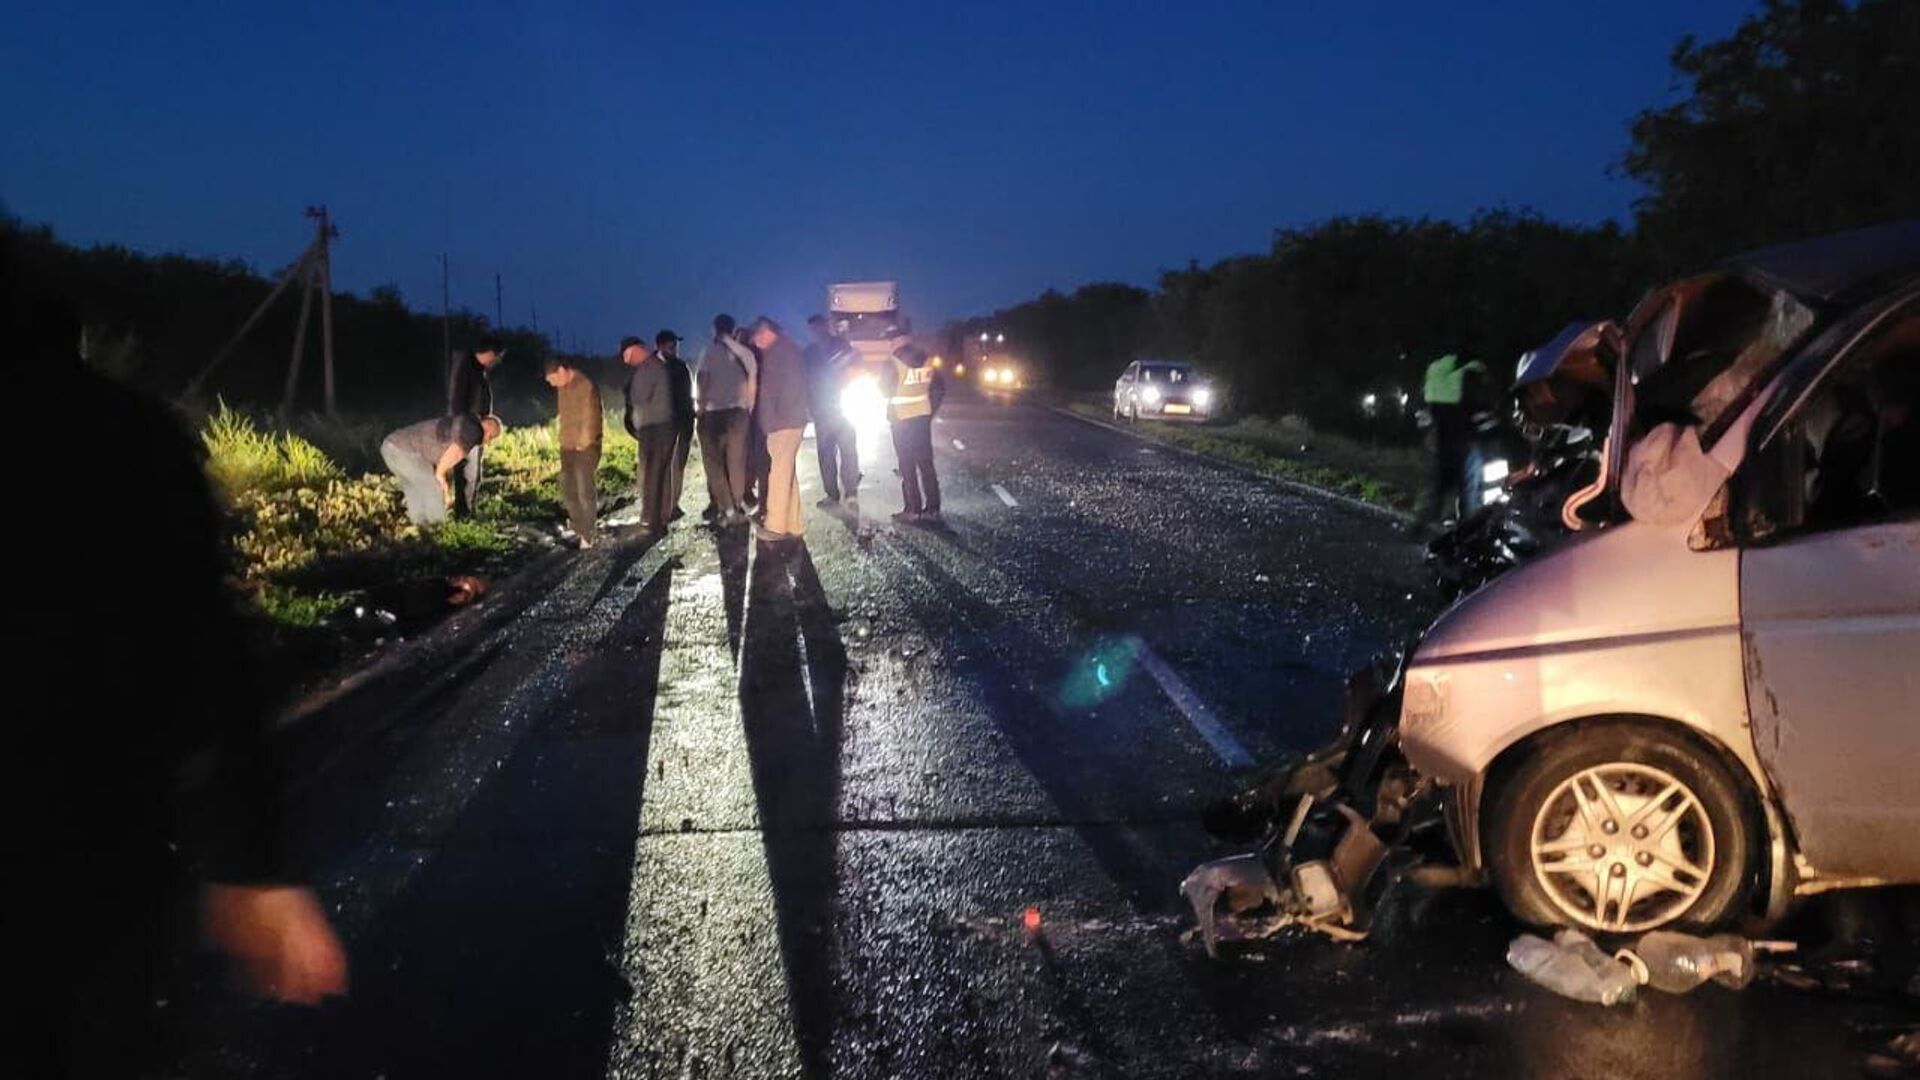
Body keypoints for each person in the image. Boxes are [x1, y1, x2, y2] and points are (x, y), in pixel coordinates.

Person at [23, 335, 348, 1077]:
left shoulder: (95, 431)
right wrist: (252, 862)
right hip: (91, 862)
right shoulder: (109, 429)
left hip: (81, 863)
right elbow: (206, 651)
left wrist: (250, 861)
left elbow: (199, 643)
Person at [380, 412, 505, 525]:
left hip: (391, 446)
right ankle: (438, 530)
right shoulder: (473, 430)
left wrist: (442, 479)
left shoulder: (465, 423)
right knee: (433, 488)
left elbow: (444, 458)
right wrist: (440, 477)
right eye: (491, 437)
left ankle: (422, 531)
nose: (488, 442)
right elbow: (454, 452)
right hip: (403, 451)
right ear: (488, 427)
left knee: (416, 490)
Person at [750, 316, 811, 542]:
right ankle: (794, 523)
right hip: (787, 420)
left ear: (765, 332)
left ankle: (775, 526)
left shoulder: (780, 352)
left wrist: (773, 421)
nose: (756, 344)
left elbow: (783, 389)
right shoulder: (786, 349)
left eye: (756, 339)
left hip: (783, 422)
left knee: (779, 472)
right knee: (787, 472)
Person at [697, 313, 756, 525]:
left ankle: (726, 507)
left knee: (714, 463)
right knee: (736, 462)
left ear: (715, 329)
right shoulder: (746, 353)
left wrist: (700, 408)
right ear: (732, 329)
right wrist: (747, 408)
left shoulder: (709, 352)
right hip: (739, 414)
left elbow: (702, 380)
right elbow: (752, 383)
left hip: (714, 413)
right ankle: (738, 503)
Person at [1419, 351, 1488, 527]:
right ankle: (1468, 525)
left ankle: (1425, 522)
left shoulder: (1434, 373)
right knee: (1469, 484)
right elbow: (1474, 404)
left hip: (1444, 437)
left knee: (1441, 483)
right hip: (1464, 435)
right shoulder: (1462, 376)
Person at [884, 329, 942, 524]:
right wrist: (929, 410)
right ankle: (933, 508)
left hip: (901, 419)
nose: (890, 345)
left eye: (891, 341)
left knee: (907, 465)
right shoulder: (927, 359)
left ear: (898, 341)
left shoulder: (892, 362)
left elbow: (883, 389)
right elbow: (939, 387)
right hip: (922, 417)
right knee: (926, 463)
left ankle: (913, 509)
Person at [545, 355, 603, 547]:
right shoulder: (563, 387)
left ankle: (587, 534)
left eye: (553, 379)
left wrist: (584, 442)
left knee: (584, 488)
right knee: (568, 487)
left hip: (585, 446)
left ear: (561, 371)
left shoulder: (584, 384)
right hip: (567, 445)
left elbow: (591, 415)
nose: (553, 385)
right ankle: (577, 526)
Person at [622, 334, 678, 534]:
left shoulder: (649, 367)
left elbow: (640, 397)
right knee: (659, 472)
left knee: (653, 473)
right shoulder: (652, 366)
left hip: (656, 427)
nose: (627, 361)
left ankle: (652, 519)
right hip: (659, 425)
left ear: (637, 349)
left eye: (627, 356)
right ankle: (659, 517)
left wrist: (630, 397)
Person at [804, 313, 861, 506]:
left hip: (829, 408)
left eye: (814, 328)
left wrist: (809, 406)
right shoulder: (837, 346)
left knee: (831, 453)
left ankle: (836, 493)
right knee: (843, 451)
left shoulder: (813, 352)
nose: (814, 332)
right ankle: (847, 492)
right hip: (832, 408)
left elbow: (806, 381)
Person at [446, 336, 506, 517]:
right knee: (467, 472)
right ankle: (463, 514)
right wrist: (469, 427)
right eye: (497, 358)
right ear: (489, 354)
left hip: (474, 427)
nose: (496, 362)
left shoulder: (476, 369)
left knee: (470, 473)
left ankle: (466, 512)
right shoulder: (466, 368)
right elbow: (457, 400)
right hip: (468, 428)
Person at [658, 329, 695, 523]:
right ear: (661, 346)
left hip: (683, 424)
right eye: (672, 344)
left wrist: (690, 420)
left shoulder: (681, 367)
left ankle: (673, 505)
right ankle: (666, 506)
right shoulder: (655, 368)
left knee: (678, 466)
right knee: (667, 468)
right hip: (666, 425)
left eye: (676, 344)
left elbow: (688, 397)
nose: (675, 347)